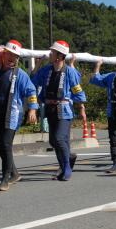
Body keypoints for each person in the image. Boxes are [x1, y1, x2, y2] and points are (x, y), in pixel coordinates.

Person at [0, 40, 39, 191]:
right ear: (3, 54)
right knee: (1, 146)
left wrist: (33, 109)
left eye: (15, 56)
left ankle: (5, 179)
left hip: (13, 114)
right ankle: (14, 173)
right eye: (10, 54)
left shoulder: (20, 74)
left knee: (6, 144)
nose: (12, 58)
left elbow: (31, 91)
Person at [31, 40, 87, 181]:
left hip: (64, 109)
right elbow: (33, 81)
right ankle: (66, 161)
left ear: (60, 56)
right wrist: (38, 64)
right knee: (53, 141)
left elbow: (77, 91)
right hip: (50, 108)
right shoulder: (46, 70)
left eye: (53, 52)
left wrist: (81, 108)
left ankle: (66, 167)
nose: (50, 54)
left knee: (59, 138)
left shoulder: (69, 72)